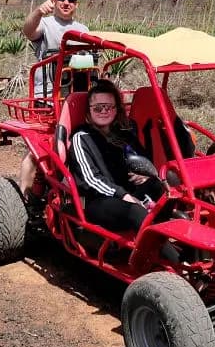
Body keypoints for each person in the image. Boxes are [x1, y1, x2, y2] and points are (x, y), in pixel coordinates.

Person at [20, 0, 89, 195]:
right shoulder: (46, 24)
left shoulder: (83, 30)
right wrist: (39, 11)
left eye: (71, 0)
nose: (66, 3)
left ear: (76, 4)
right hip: (48, 96)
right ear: (55, 0)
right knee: (38, 149)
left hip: (76, 96)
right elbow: (28, 31)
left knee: (76, 144)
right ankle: (25, 199)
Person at [68, 80, 164, 233]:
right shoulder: (81, 138)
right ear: (88, 114)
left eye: (109, 107)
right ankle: (176, 257)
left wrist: (144, 175)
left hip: (129, 193)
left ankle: (173, 241)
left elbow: (142, 159)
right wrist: (123, 195)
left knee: (163, 187)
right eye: (98, 108)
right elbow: (91, 180)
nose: (104, 111)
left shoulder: (123, 135)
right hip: (100, 201)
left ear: (115, 110)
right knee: (135, 211)